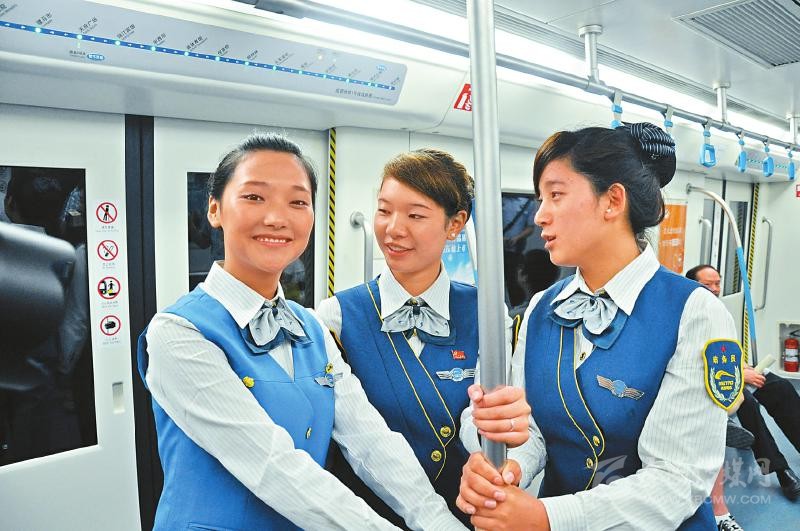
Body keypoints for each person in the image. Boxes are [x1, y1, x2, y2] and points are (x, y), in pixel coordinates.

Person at [137, 133, 466, 530]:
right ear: (214, 209)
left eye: (297, 202)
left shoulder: (311, 326)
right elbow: (273, 467)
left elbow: (371, 442)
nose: (277, 218)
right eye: (254, 197)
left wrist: (439, 522)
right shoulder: (178, 334)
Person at [457, 123, 741, 530]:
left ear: (612, 201)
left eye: (556, 195)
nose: (540, 215)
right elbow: (534, 429)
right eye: (540, 199)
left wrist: (547, 517)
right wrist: (507, 471)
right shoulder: (541, 308)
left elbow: (678, 479)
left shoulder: (695, 312)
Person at [316, 149, 528, 526]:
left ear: (455, 224)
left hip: (464, 512)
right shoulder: (337, 316)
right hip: (372, 517)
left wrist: (495, 442)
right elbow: (352, 433)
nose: (393, 229)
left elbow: (480, 418)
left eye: (415, 215)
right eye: (384, 211)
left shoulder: (487, 312)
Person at [687, 264, 800, 502]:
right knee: (747, 403)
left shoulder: (718, 311)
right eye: (707, 284)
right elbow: (691, 359)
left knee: (780, 388)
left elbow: (727, 348)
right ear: (692, 285)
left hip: (733, 370)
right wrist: (738, 375)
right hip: (706, 378)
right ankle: (781, 471)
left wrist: (743, 367)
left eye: (717, 283)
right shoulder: (686, 314)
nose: (715, 289)